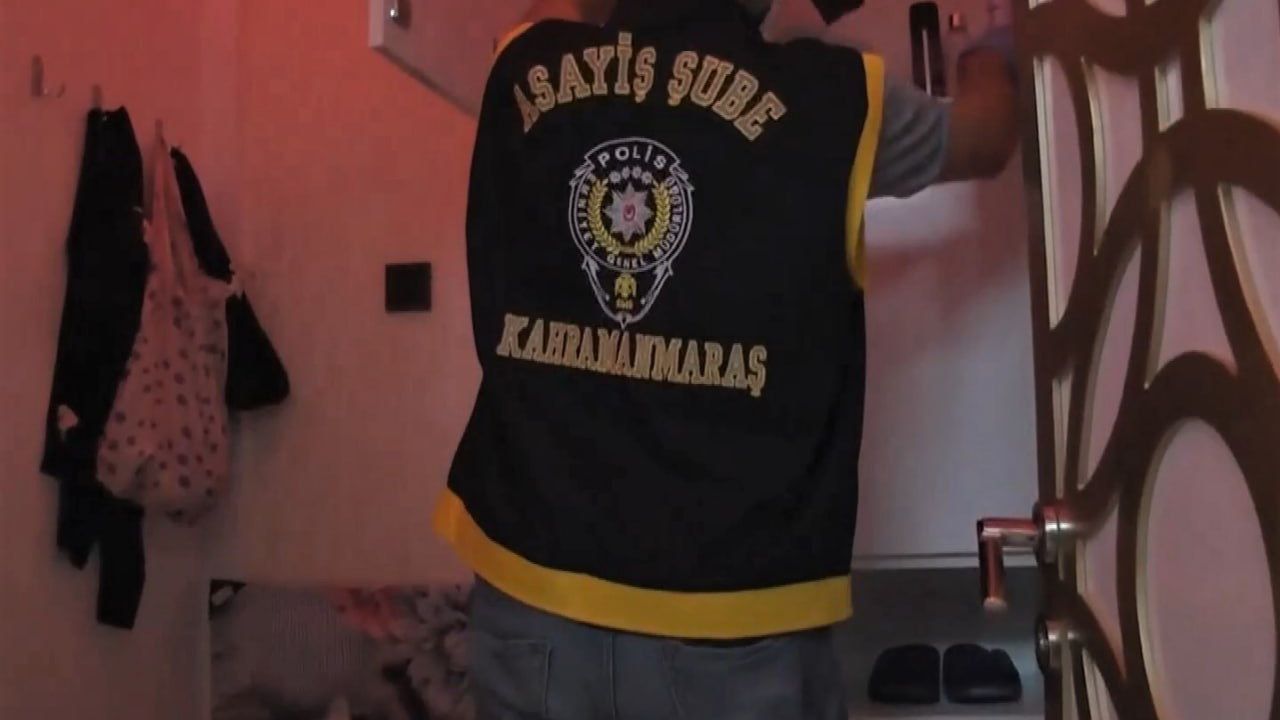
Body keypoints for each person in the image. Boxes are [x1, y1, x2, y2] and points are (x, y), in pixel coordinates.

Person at [436, 0, 1019, 717]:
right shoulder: (835, 97)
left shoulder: (523, 64)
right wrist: (996, 42)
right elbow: (987, 135)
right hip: (732, 628)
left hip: (531, 602)